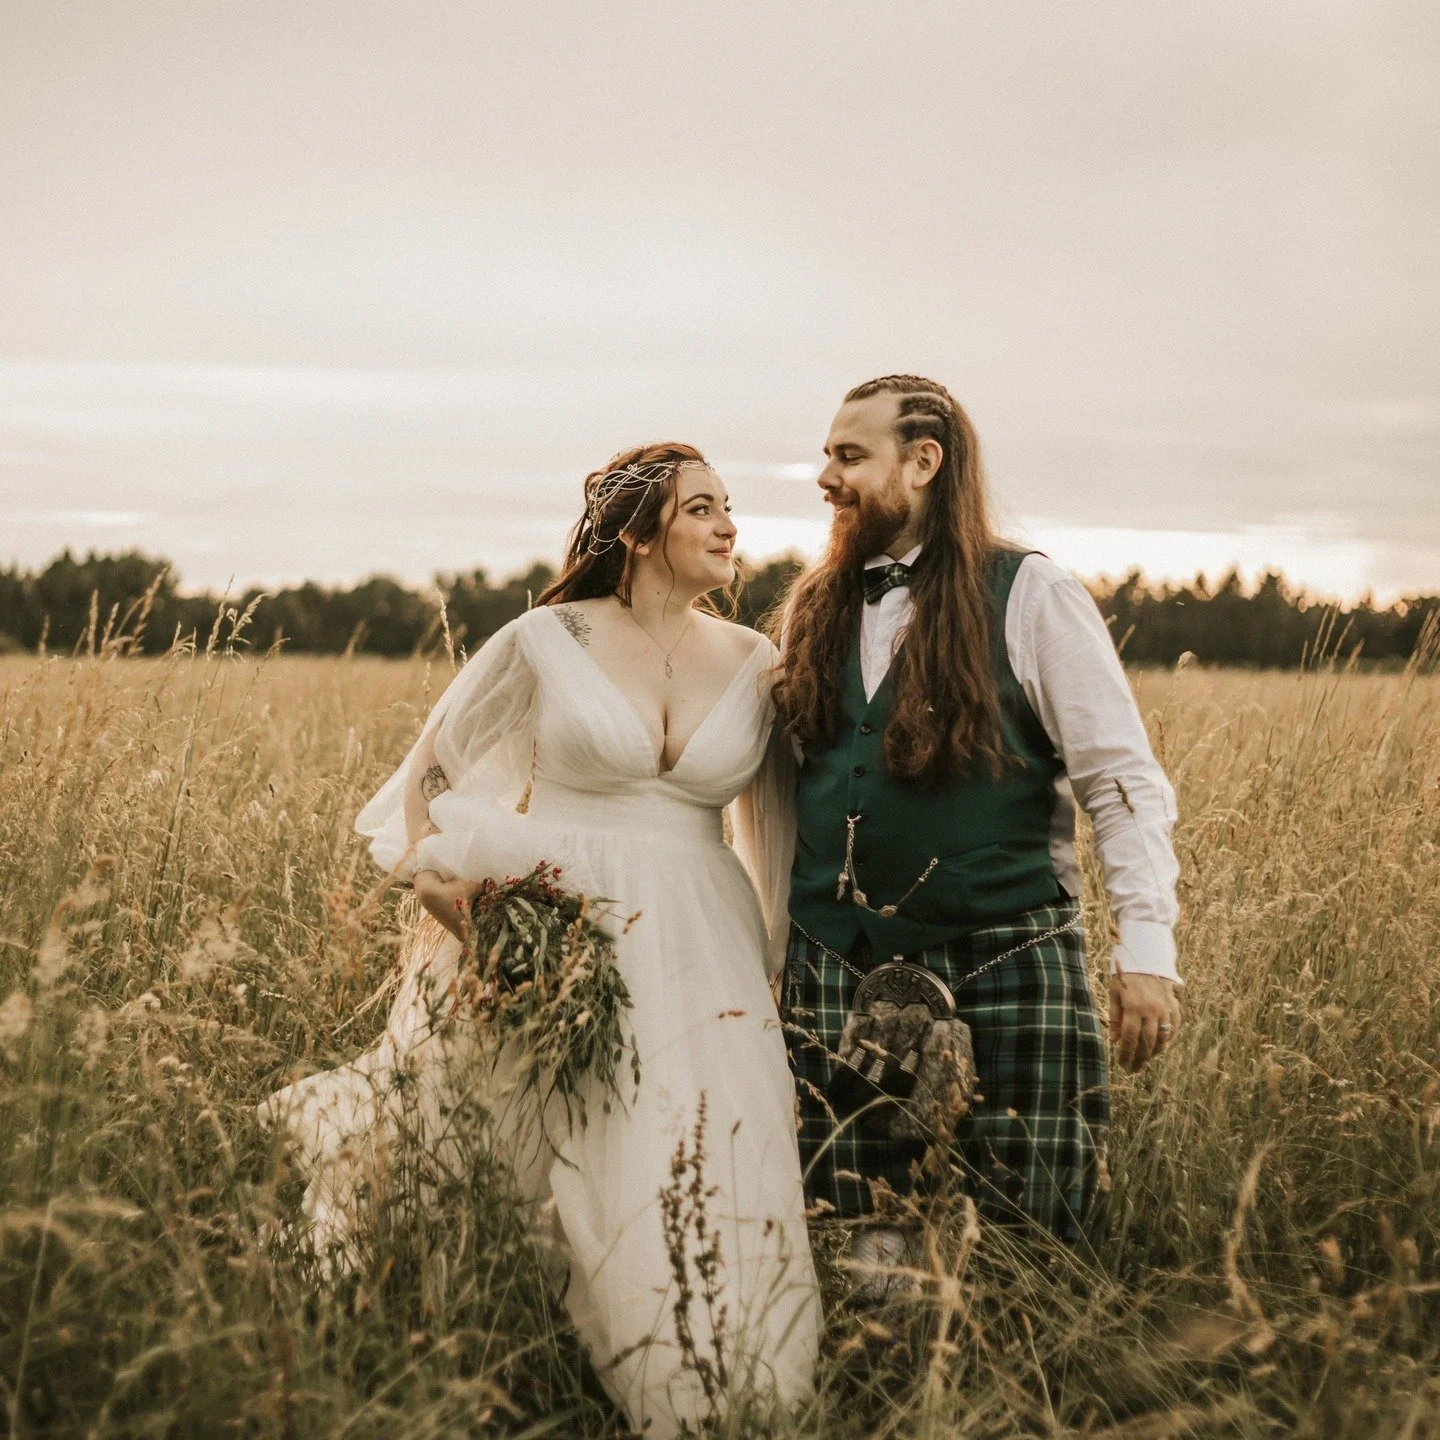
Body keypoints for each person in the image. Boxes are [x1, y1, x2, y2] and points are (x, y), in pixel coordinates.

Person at [257, 443, 821, 1439]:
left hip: (704, 945)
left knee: (698, 1150)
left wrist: (769, 967)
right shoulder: (546, 637)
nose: (730, 525)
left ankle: (708, 1383)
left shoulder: (756, 660)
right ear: (642, 532)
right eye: (703, 509)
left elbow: (769, 830)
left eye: (731, 507)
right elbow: (425, 795)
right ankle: (491, 1357)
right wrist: (490, 931)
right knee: (520, 1147)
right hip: (559, 922)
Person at [771, 375, 1182, 1292]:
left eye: (848, 456)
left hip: (1006, 949)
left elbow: (1119, 782)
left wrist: (1147, 948)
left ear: (923, 462)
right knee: (859, 1233)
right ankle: (886, 1391)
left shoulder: (1032, 592)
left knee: (1033, 1229)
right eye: (827, 454)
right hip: (835, 959)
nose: (825, 477)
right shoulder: (811, 604)